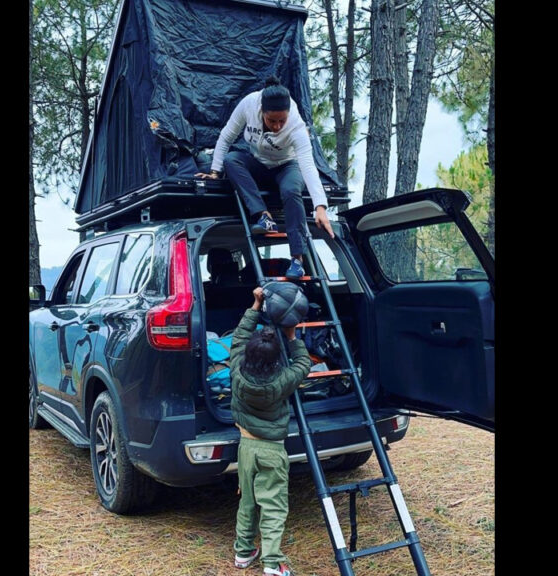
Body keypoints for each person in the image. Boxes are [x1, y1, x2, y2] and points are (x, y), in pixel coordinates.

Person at [196, 77, 335, 279]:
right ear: (261, 110)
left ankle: (297, 259)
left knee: (290, 191)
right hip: (259, 164)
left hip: (287, 166)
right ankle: (263, 216)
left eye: (282, 121)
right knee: (232, 160)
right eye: (272, 121)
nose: (277, 126)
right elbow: (227, 136)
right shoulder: (249, 104)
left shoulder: (296, 126)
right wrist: (215, 172)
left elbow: (308, 165)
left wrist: (320, 206)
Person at [229, 285, 311, 576]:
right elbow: (303, 364)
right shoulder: (283, 380)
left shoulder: (236, 368)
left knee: (248, 501)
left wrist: (254, 304)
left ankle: (243, 552)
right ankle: (272, 563)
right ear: (277, 361)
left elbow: (240, 335)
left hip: (246, 446)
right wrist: (291, 336)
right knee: (273, 506)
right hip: (272, 451)